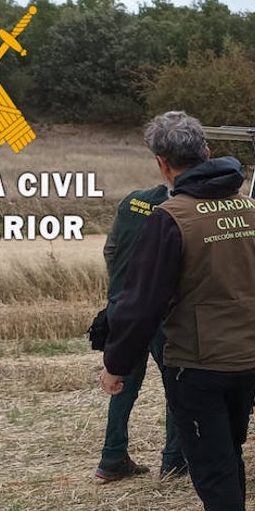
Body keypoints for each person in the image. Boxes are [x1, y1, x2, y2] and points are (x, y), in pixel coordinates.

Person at [100, 111, 255, 511]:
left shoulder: (172, 218)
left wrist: (116, 362)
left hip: (197, 366)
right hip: (246, 360)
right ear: (206, 152)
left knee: (214, 472)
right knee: (228, 457)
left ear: (164, 164)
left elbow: (142, 305)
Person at [95, 184, 188, 482]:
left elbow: (111, 250)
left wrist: (122, 292)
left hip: (122, 309)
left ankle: (112, 458)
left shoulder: (132, 201)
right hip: (161, 314)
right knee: (176, 385)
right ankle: (174, 461)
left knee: (121, 383)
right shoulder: (183, 208)